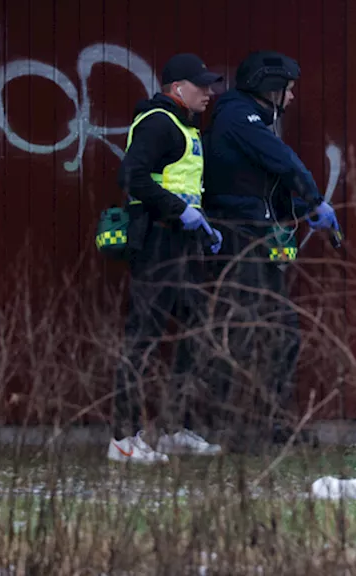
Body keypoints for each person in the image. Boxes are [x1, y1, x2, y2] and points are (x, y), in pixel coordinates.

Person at [201, 50, 342, 452]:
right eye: (288, 90)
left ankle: (274, 425)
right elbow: (283, 162)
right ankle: (245, 430)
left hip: (256, 236)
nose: (292, 98)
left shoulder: (248, 120)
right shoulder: (238, 117)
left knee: (279, 333)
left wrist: (300, 210)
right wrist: (315, 199)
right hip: (239, 241)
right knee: (252, 333)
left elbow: (258, 189)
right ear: (269, 88)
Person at [110, 53, 226, 464]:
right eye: (202, 85)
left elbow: (183, 186)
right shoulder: (159, 122)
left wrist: (203, 226)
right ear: (178, 88)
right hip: (158, 242)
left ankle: (176, 428)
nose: (209, 92)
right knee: (142, 339)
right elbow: (132, 176)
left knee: (197, 332)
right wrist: (179, 212)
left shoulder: (184, 126)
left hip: (183, 244)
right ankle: (123, 440)